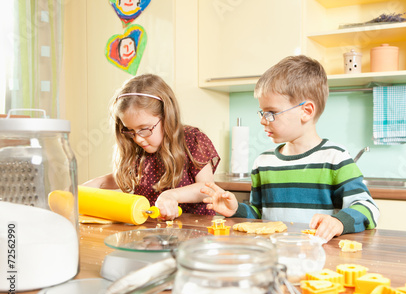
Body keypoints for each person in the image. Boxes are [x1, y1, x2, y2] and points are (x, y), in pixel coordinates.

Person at [201, 55, 379, 241]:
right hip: (273, 256)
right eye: (262, 112)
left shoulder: (335, 158)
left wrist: (338, 222)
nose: (263, 120)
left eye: (271, 113)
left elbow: (367, 207)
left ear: (306, 111)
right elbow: (259, 215)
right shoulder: (263, 162)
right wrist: (236, 209)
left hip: (316, 259)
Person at [83, 74, 220, 219]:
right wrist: (97, 183)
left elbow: (206, 188)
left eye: (144, 129)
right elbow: (126, 176)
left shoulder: (192, 140)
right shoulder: (137, 148)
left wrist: (171, 195)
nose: (138, 138)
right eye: (130, 130)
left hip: (195, 232)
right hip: (149, 235)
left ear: (167, 116)